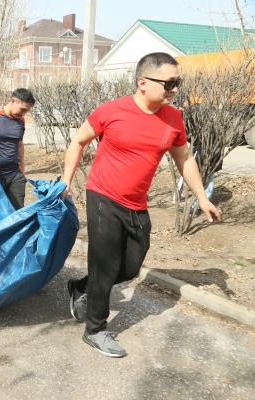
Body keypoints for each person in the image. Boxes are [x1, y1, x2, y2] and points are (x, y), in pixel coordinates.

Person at [62, 52, 221, 358]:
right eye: (170, 83)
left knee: (132, 266)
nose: (175, 89)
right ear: (143, 83)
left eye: (178, 83)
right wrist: (67, 182)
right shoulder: (112, 111)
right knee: (105, 263)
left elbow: (184, 159)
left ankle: (82, 287)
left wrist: (202, 198)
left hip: (136, 203)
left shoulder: (173, 118)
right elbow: (78, 141)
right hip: (102, 196)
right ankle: (95, 330)